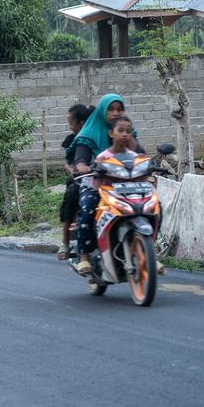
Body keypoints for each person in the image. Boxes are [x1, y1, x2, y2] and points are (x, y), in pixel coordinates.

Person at [68, 93, 142, 275]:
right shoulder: (89, 134)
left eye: (119, 109)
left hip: (125, 183)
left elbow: (140, 155)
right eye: (111, 109)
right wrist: (83, 166)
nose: (115, 113)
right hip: (97, 183)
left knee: (152, 206)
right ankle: (84, 256)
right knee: (88, 208)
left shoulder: (126, 132)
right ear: (102, 111)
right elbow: (81, 158)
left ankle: (147, 252)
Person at [57, 103, 93, 260]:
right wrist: (73, 171)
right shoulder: (72, 140)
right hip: (78, 179)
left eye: (71, 123)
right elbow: (67, 162)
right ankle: (65, 242)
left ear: (81, 123)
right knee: (71, 197)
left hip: (98, 177)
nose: (70, 127)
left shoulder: (96, 136)